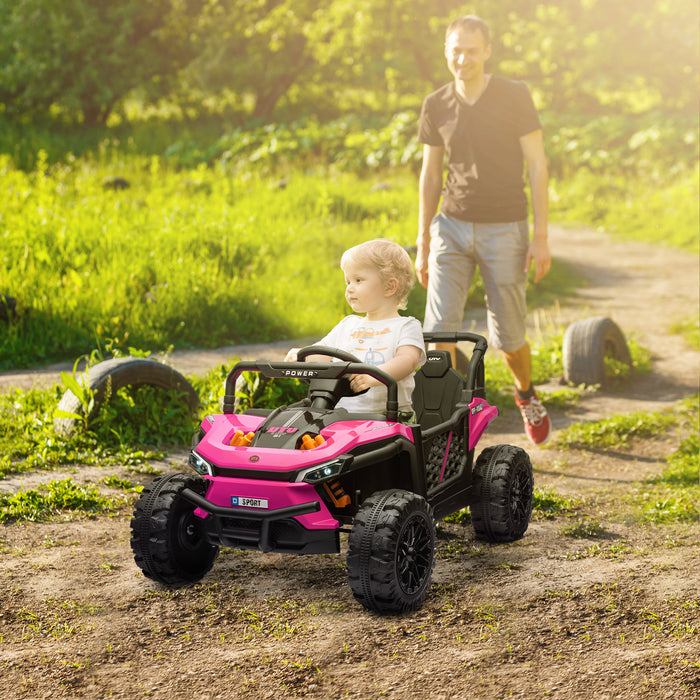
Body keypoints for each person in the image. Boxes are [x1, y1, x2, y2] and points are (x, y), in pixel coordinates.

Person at [415, 14, 552, 444]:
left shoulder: (514, 95)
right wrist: (422, 240)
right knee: (437, 332)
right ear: (446, 52)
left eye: (472, 50)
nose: (463, 58)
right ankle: (455, 415)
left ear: (487, 50)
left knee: (509, 335)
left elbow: (537, 164)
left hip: (505, 228)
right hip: (451, 227)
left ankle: (525, 394)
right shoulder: (436, 103)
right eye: (455, 50)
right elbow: (430, 174)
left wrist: (541, 236)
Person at [286, 239, 426, 417]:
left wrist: (374, 376)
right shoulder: (348, 325)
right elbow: (322, 352)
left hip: (390, 418)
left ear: (390, 286)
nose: (349, 289)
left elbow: (407, 361)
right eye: (347, 282)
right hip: (339, 416)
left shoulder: (406, 326)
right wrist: (301, 355)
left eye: (358, 280)